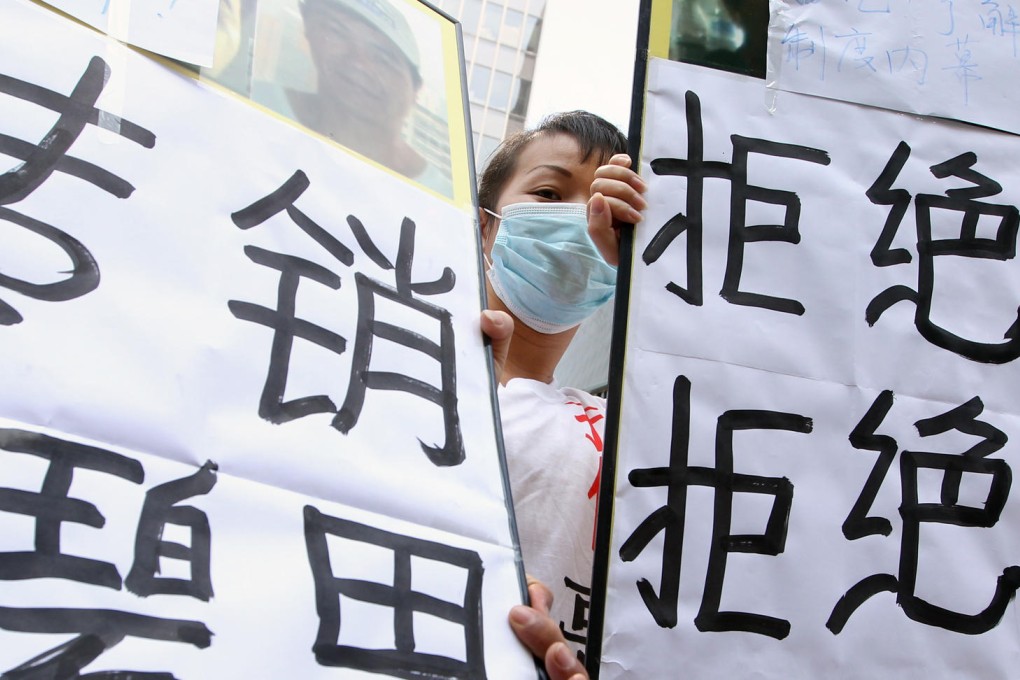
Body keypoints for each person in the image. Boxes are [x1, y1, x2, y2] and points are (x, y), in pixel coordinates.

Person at [477, 111, 646, 680]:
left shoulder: (626, 426)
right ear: (485, 227)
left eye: (609, 209)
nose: (585, 220)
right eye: (550, 194)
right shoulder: (420, 392)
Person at [250, 0, 452, 195]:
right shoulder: (253, 101)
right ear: (309, 31)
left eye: (383, 58)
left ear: (416, 90)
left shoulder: (441, 198)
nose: (358, 63)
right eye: (338, 34)